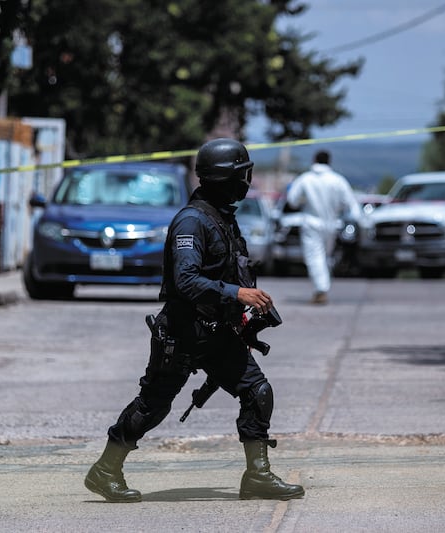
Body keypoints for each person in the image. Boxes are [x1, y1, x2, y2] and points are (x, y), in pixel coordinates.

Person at [84, 138, 304, 502]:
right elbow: (186, 281)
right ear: (224, 178)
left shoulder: (222, 218)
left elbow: (227, 272)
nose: (246, 182)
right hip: (183, 332)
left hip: (218, 333)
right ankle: (105, 470)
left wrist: (241, 318)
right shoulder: (191, 222)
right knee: (153, 405)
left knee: (257, 392)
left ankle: (258, 475)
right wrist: (237, 294)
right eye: (242, 175)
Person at [286, 150, 361, 304]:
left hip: (311, 223)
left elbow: (292, 200)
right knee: (325, 257)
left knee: (315, 257)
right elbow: (351, 203)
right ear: (329, 161)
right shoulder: (338, 180)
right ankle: (322, 287)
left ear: (314, 160)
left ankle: (321, 289)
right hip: (332, 224)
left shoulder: (306, 179)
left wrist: (303, 200)